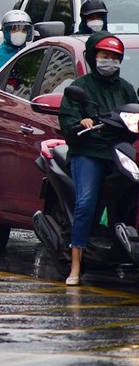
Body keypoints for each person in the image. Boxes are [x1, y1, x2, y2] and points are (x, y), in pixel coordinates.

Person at [58, 32, 137, 286]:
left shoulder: (126, 88)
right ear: (94, 57)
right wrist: (81, 122)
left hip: (119, 150)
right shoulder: (81, 87)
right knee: (86, 201)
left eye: (114, 57)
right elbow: (68, 120)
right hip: (88, 151)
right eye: (104, 56)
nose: (109, 61)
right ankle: (76, 265)